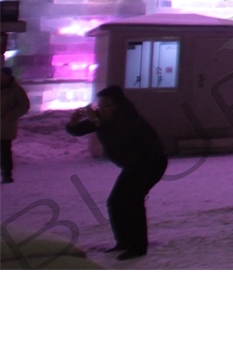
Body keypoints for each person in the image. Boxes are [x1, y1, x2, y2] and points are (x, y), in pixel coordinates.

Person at [64, 86, 169, 261]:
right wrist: (73, 122)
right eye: (100, 104)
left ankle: (137, 247)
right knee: (116, 202)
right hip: (133, 165)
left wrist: (97, 122)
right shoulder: (103, 118)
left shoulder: (128, 119)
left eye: (106, 105)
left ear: (118, 105)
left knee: (132, 202)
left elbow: (116, 137)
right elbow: (78, 130)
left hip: (150, 163)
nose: (101, 109)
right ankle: (124, 242)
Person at [1, 67, 30, 183]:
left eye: (3, 75)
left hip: (6, 126)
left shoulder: (17, 91)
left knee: (4, 150)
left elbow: (24, 106)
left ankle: (7, 174)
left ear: (8, 77)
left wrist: (11, 115)